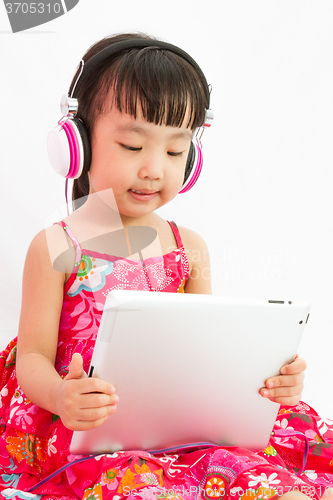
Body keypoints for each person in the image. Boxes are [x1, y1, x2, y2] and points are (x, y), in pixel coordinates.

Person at [0, 32, 332, 500]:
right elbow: (32, 357)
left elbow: (207, 351)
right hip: (92, 428)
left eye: (175, 151)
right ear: (78, 144)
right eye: (133, 146)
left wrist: (271, 374)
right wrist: (61, 397)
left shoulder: (187, 246)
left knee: (252, 472)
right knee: (138, 482)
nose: (155, 168)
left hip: (177, 419)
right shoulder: (58, 246)